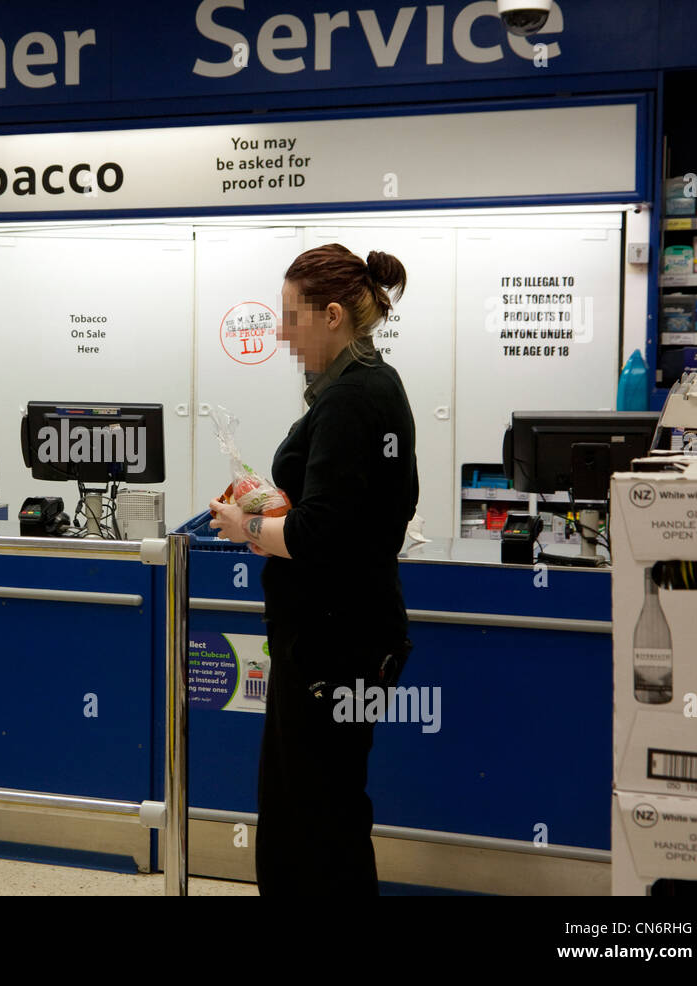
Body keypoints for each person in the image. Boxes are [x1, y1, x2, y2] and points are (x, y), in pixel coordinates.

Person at [208, 243, 418, 896]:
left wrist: (246, 526)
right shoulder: (372, 386)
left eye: (291, 317)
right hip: (348, 637)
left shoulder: (353, 398)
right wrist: (273, 506)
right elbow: (360, 513)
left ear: (332, 316)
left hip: (334, 644)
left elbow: (320, 534)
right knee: (325, 811)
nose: (279, 333)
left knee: (310, 821)